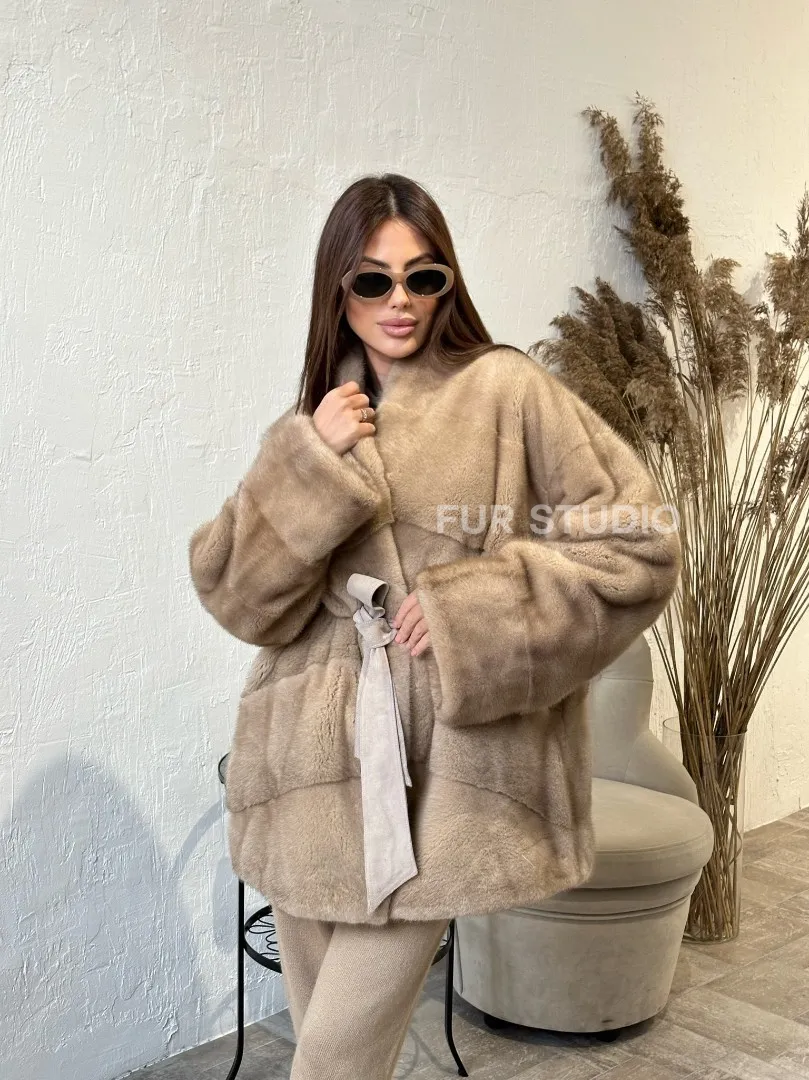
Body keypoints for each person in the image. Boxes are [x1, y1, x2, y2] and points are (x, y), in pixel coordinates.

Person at [188, 173, 682, 1079]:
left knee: (329, 1061)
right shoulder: (313, 420)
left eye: (423, 277)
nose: (400, 301)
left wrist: (473, 610)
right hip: (305, 762)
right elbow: (237, 598)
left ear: (447, 281)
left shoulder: (507, 388)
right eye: (372, 280)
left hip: (444, 770)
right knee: (336, 1048)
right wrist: (310, 459)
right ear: (338, 288)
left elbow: (638, 543)